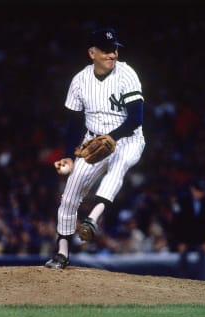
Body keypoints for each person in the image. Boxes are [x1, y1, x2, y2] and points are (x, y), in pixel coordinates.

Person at [45, 27, 146, 269]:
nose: (113, 54)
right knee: (70, 194)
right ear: (92, 53)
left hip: (127, 139)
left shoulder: (127, 74)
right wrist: (68, 157)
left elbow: (136, 119)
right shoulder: (79, 81)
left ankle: (93, 217)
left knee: (119, 166)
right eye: (107, 50)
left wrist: (109, 138)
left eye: (115, 50)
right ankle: (62, 253)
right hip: (93, 142)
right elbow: (73, 124)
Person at [172, 179, 205, 280]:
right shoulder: (182, 201)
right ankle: (181, 282)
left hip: (202, 236)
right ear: (192, 190)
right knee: (182, 259)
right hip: (185, 235)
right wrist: (180, 241)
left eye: (203, 191)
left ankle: (203, 284)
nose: (201, 193)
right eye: (199, 190)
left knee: (203, 258)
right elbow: (177, 223)